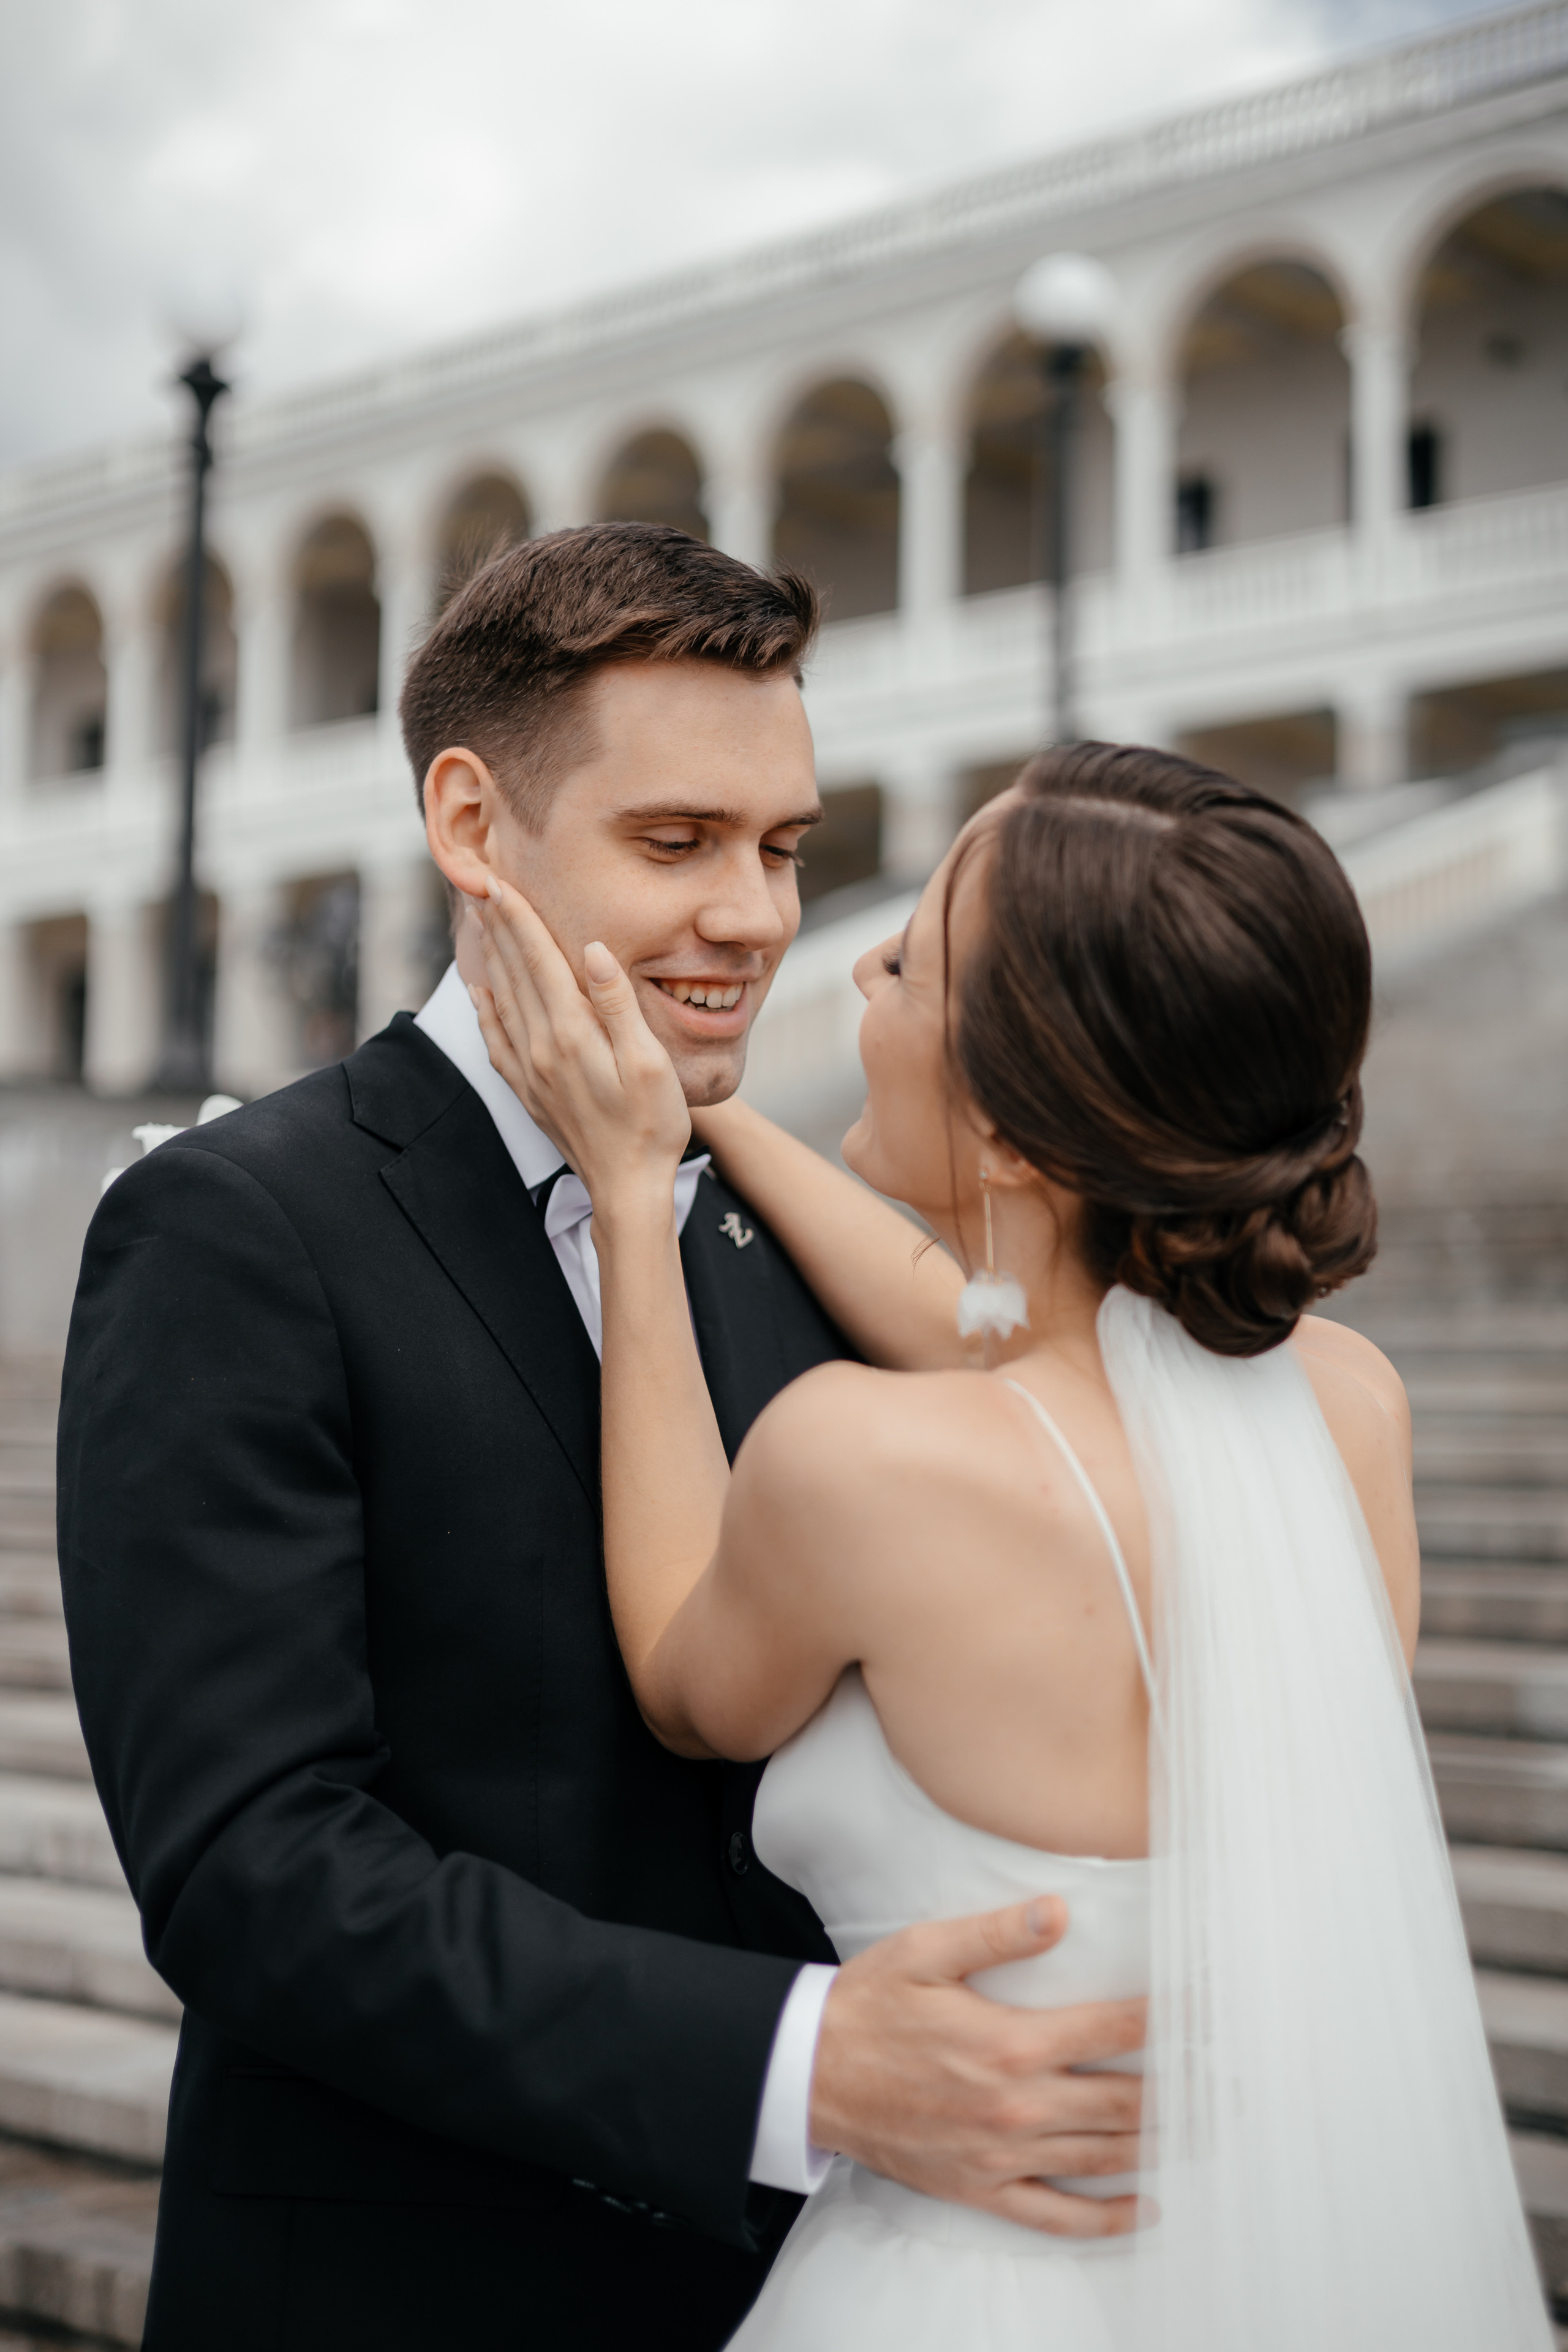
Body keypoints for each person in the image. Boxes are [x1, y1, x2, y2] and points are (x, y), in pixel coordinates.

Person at [56, 527, 1145, 2352]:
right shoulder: (233, 1224)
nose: (755, 917)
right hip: (412, 2290)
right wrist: (800, 2064)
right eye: (677, 844)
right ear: (474, 826)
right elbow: (255, 1865)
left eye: (785, 848)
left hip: (829, 2280)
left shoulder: (776, 1217)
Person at [472, 737, 1551, 2350]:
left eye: (907, 960)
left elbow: (687, 1681)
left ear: (1023, 1129)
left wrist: (634, 1199)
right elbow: (986, 1325)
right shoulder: (1345, 1408)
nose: (856, 972)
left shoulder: (861, 1463)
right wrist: (717, 1113)